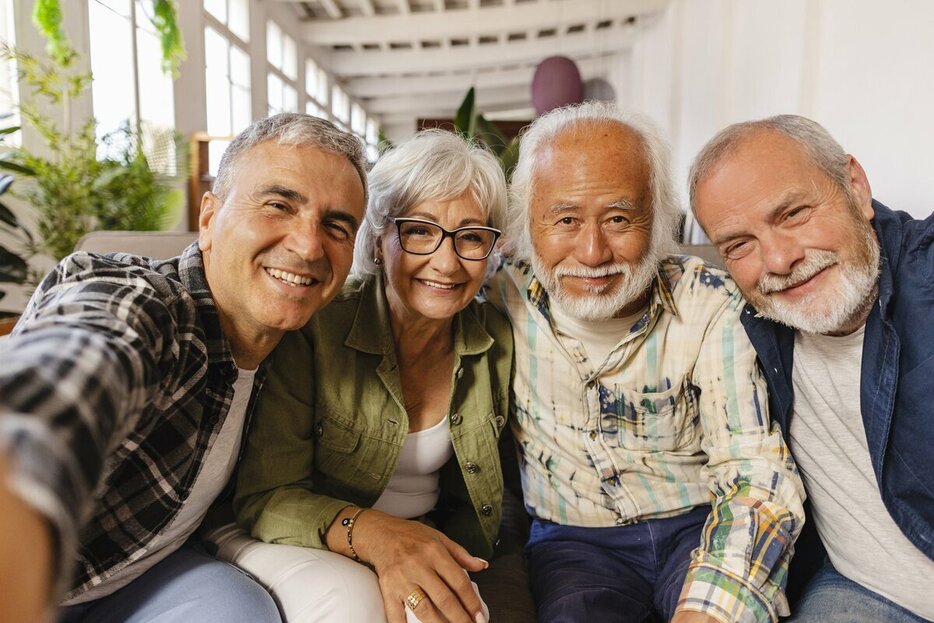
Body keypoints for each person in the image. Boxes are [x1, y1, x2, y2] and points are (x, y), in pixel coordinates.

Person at [0, 112, 368, 623]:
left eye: (336, 226)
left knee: (243, 613)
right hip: (40, 582)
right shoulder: (148, 304)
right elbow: (76, 367)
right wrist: (21, 476)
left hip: (143, 571)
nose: (308, 246)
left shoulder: (304, 342)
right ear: (209, 218)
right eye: (278, 205)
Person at [482, 101, 805, 623]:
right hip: (573, 541)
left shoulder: (712, 306)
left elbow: (755, 469)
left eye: (618, 218)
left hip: (698, 523)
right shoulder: (499, 297)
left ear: (658, 220)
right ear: (526, 227)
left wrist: (712, 610)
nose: (592, 252)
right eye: (565, 219)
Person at [213, 129, 513, 623]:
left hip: (412, 537)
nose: (446, 261)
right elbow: (265, 498)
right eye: (419, 230)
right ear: (378, 241)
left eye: (472, 237)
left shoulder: (493, 341)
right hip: (281, 533)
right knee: (353, 605)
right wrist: (378, 538)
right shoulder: (315, 326)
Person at [690, 115, 934, 623]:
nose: (777, 260)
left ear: (856, 186)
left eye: (794, 213)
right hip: (859, 586)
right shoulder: (744, 322)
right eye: (739, 244)